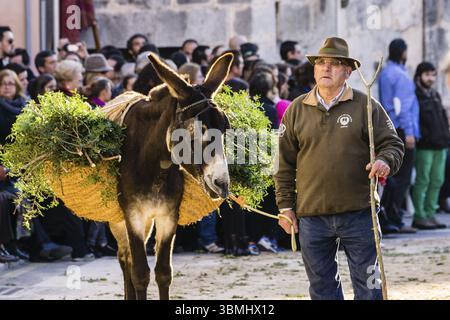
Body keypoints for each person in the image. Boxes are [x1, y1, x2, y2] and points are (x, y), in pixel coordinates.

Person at [274, 37, 404, 300]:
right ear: (314, 68)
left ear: (348, 70)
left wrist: (384, 161)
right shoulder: (296, 109)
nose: (326, 68)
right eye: (321, 62)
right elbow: (283, 163)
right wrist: (285, 207)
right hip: (312, 215)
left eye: (334, 63)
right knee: (322, 288)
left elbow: (393, 144)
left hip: (359, 213)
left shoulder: (365, 105)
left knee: (370, 285)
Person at [378, 38, 420, 234]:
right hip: (402, 129)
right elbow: (403, 107)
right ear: (402, 52)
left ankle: (390, 216)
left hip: (390, 127)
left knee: (394, 176)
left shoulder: (386, 72)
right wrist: (410, 133)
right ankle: (396, 218)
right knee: (402, 178)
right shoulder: (400, 75)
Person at [410, 62, 450, 229]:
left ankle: (430, 214)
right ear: (419, 76)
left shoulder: (434, 95)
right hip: (425, 146)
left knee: (437, 181)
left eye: (433, 75)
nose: (431, 78)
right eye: (427, 75)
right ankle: (420, 216)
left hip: (440, 145)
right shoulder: (414, 95)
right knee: (422, 181)